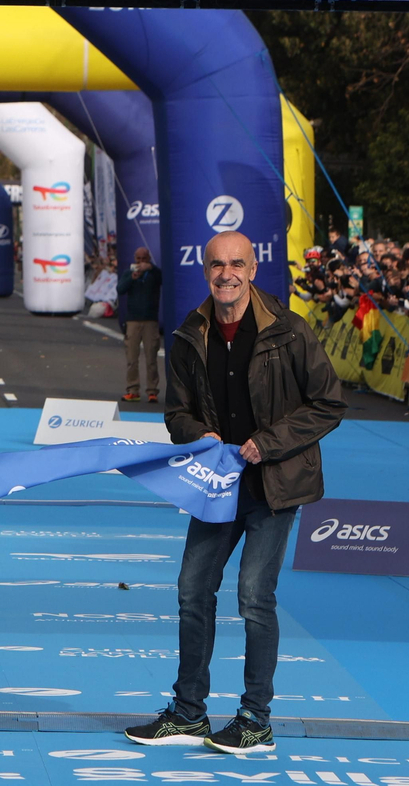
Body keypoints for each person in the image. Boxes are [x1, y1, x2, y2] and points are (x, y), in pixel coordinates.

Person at [126, 231, 345, 755]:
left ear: (253, 270)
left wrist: (268, 443)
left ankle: (255, 720)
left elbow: (328, 403)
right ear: (205, 271)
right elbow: (176, 413)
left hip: (275, 485)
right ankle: (188, 713)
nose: (226, 274)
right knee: (191, 591)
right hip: (217, 486)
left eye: (237, 264)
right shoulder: (190, 334)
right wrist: (195, 433)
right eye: (217, 265)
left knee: (253, 596)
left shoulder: (289, 330)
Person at [118, 246, 163, 403]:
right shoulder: (129, 273)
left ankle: (152, 391)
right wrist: (132, 277)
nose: (141, 262)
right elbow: (120, 289)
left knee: (151, 358)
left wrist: (150, 268)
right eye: (138, 259)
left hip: (150, 320)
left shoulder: (154, 273)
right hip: (133, 320)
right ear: (134, 259)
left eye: (144, 259)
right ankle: (133, 390)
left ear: (148, 259)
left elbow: (163, 279)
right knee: (132, 358)